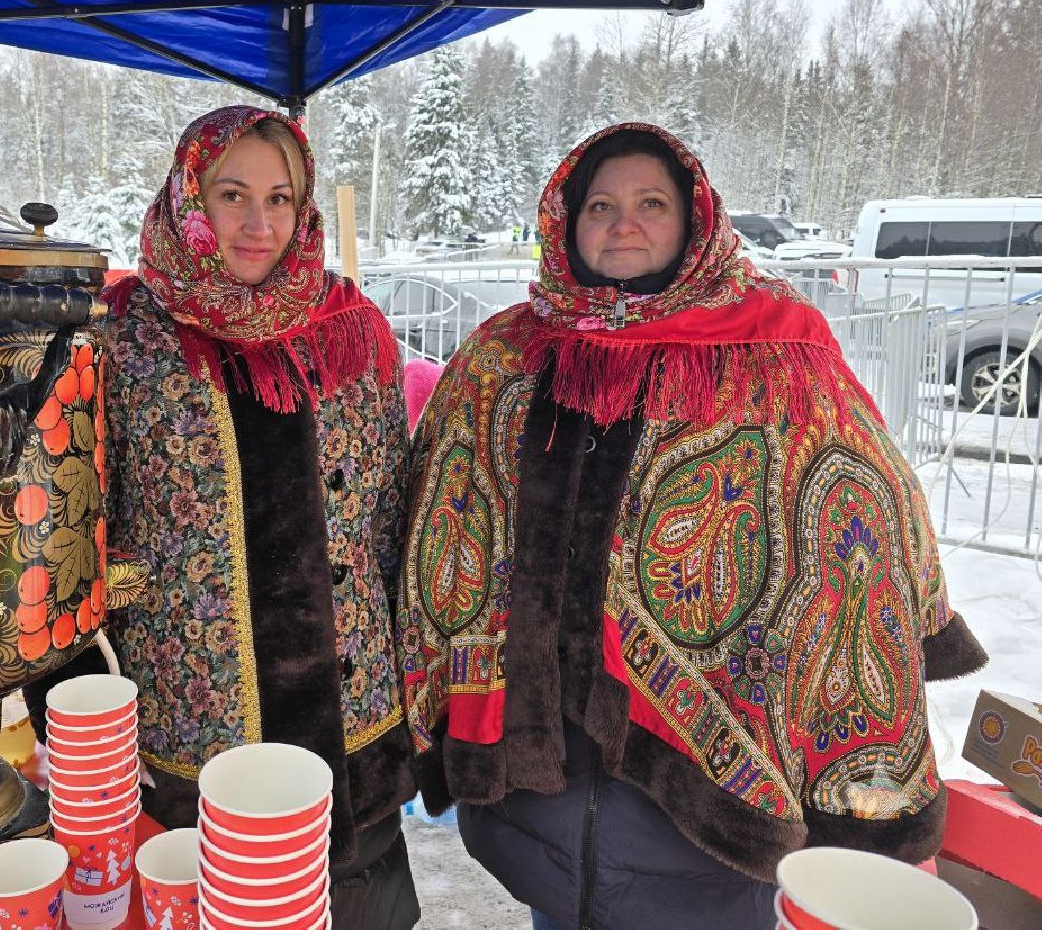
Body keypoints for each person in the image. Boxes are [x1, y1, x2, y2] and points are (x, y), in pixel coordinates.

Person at [397, 123, 988, 929]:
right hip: (542, 798)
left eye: (651, 203)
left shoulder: (778, 352)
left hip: (706, 822)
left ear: (695, 219)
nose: (623, 224)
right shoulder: (507, 355)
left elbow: (860, 523)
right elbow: (441, 521)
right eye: (600, 205)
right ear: (566, 221)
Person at [24, 106, 420, 928]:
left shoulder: (353, 331)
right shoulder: (121, 337)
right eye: (232, 195)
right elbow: (61, 533)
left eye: (280, 199)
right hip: (188, 723)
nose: (258, 224)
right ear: (188, 196)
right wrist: (73, 709)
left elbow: (389, 524)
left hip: (351, 728)